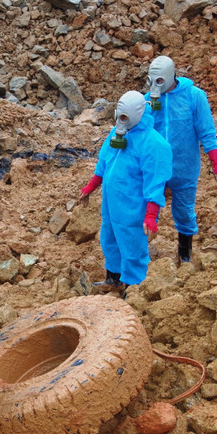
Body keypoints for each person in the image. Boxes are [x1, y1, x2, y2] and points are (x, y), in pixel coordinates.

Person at [79, 91, 172, 294]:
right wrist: (90, 187)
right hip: (112, 205)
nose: (121, 121)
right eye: (119, 116)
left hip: (132, 209)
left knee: (132, 247)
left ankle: (133, 288)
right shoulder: (116, 133)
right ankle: (113, 279)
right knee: (110, 240)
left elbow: (155, 182)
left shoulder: (154, 144)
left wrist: (150, 215)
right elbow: (104, 163)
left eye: (125, 117)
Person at [145, 55, 217, 263]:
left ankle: (185, 254)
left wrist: (216, 163)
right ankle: (139, 255)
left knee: (184, 211)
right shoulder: (148, 99)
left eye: (160, 81)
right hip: (155, 166)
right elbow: (140, 132)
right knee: (145, 208)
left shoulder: (194, 96)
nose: (156, 86)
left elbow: (206, 131)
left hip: (185, 167)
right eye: (152, 81)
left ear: (171, 76)